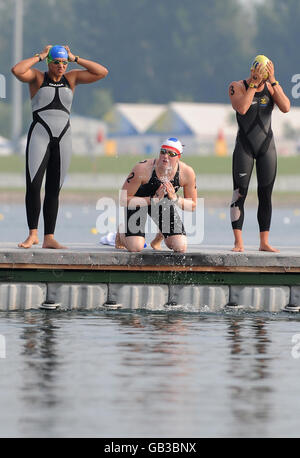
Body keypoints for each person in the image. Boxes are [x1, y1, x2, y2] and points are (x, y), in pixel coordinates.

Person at [11, 45, 108, 249]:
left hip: (64, 137)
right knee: (34, 185)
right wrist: (40, 55)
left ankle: (49, 237)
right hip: (40, 134)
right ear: (49, 63)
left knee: (54, 189)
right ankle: (33, 234)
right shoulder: (38, 78)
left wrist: (76, 58)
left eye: (64, 62)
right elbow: (17, 71)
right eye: (57, 62)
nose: (62, 66)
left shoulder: (71, 79)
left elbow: (102, 72)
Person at [228, 55, 290, 252]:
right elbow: (243, 108)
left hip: (266, 147)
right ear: (253, 70)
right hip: (244, 147)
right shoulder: (237, 86)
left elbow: (286, 107)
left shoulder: (271, 87)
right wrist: (253, 85)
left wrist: (273, 81)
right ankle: (238, 242)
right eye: (260, 72)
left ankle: (264, 242)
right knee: (239, 194)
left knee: (266, 195)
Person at [115, 137, 197, 253]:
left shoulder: (187, 173)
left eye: (171, 154)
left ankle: (159, 237)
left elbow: (192, 206)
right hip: (139, 201)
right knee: (136, 247)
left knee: (180, 246)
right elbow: (123, 199)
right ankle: (121, 233)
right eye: (163, 152)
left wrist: (175, 198)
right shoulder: (142, 169)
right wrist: (152, 200)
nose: (165, 156)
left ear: (179, 157)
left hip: (162, 203)